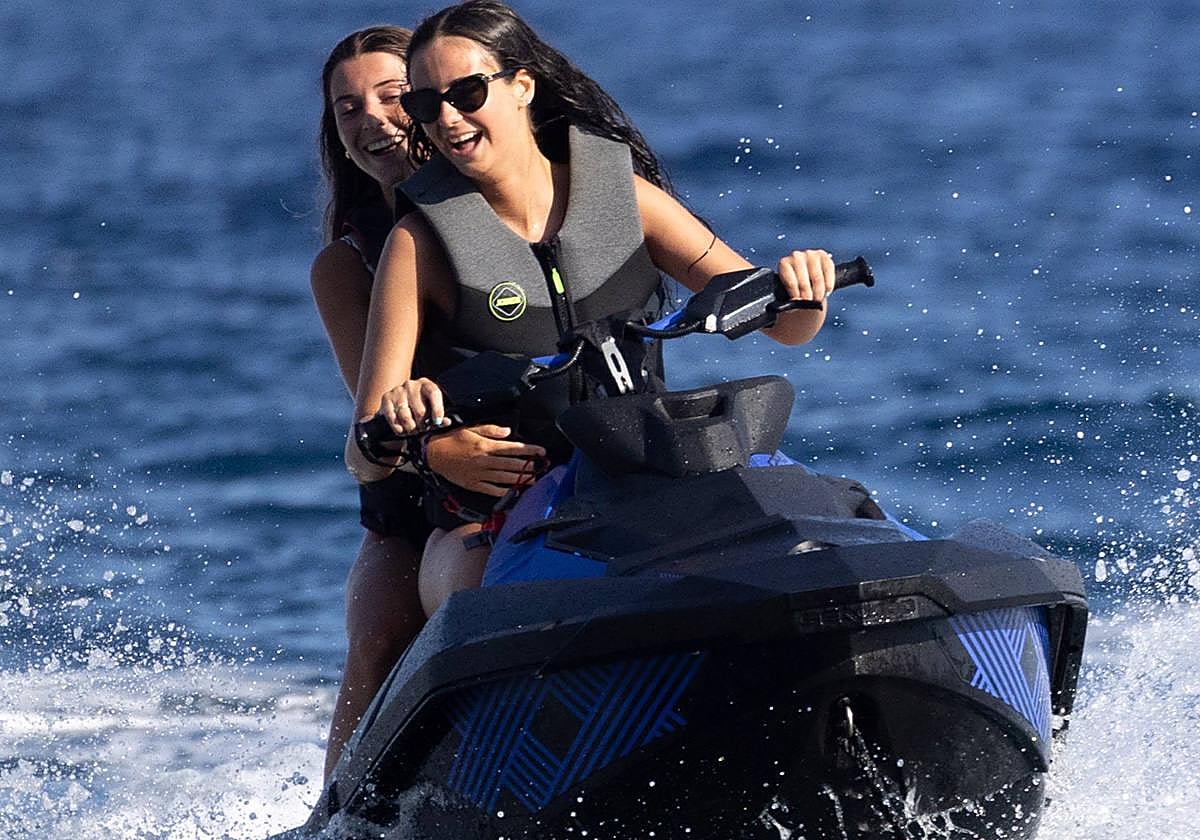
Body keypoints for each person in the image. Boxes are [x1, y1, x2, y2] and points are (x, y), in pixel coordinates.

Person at [347, 0, 837, 621]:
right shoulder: (417, 245)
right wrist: (427, 446)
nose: (446, 118)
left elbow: (788, 325)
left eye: (468, 92)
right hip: (488, 523)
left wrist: (804, 288)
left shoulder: (625, 199)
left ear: (521, 85)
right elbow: (363, 452)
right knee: (474, 579)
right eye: (425, 104)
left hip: (641, 486)